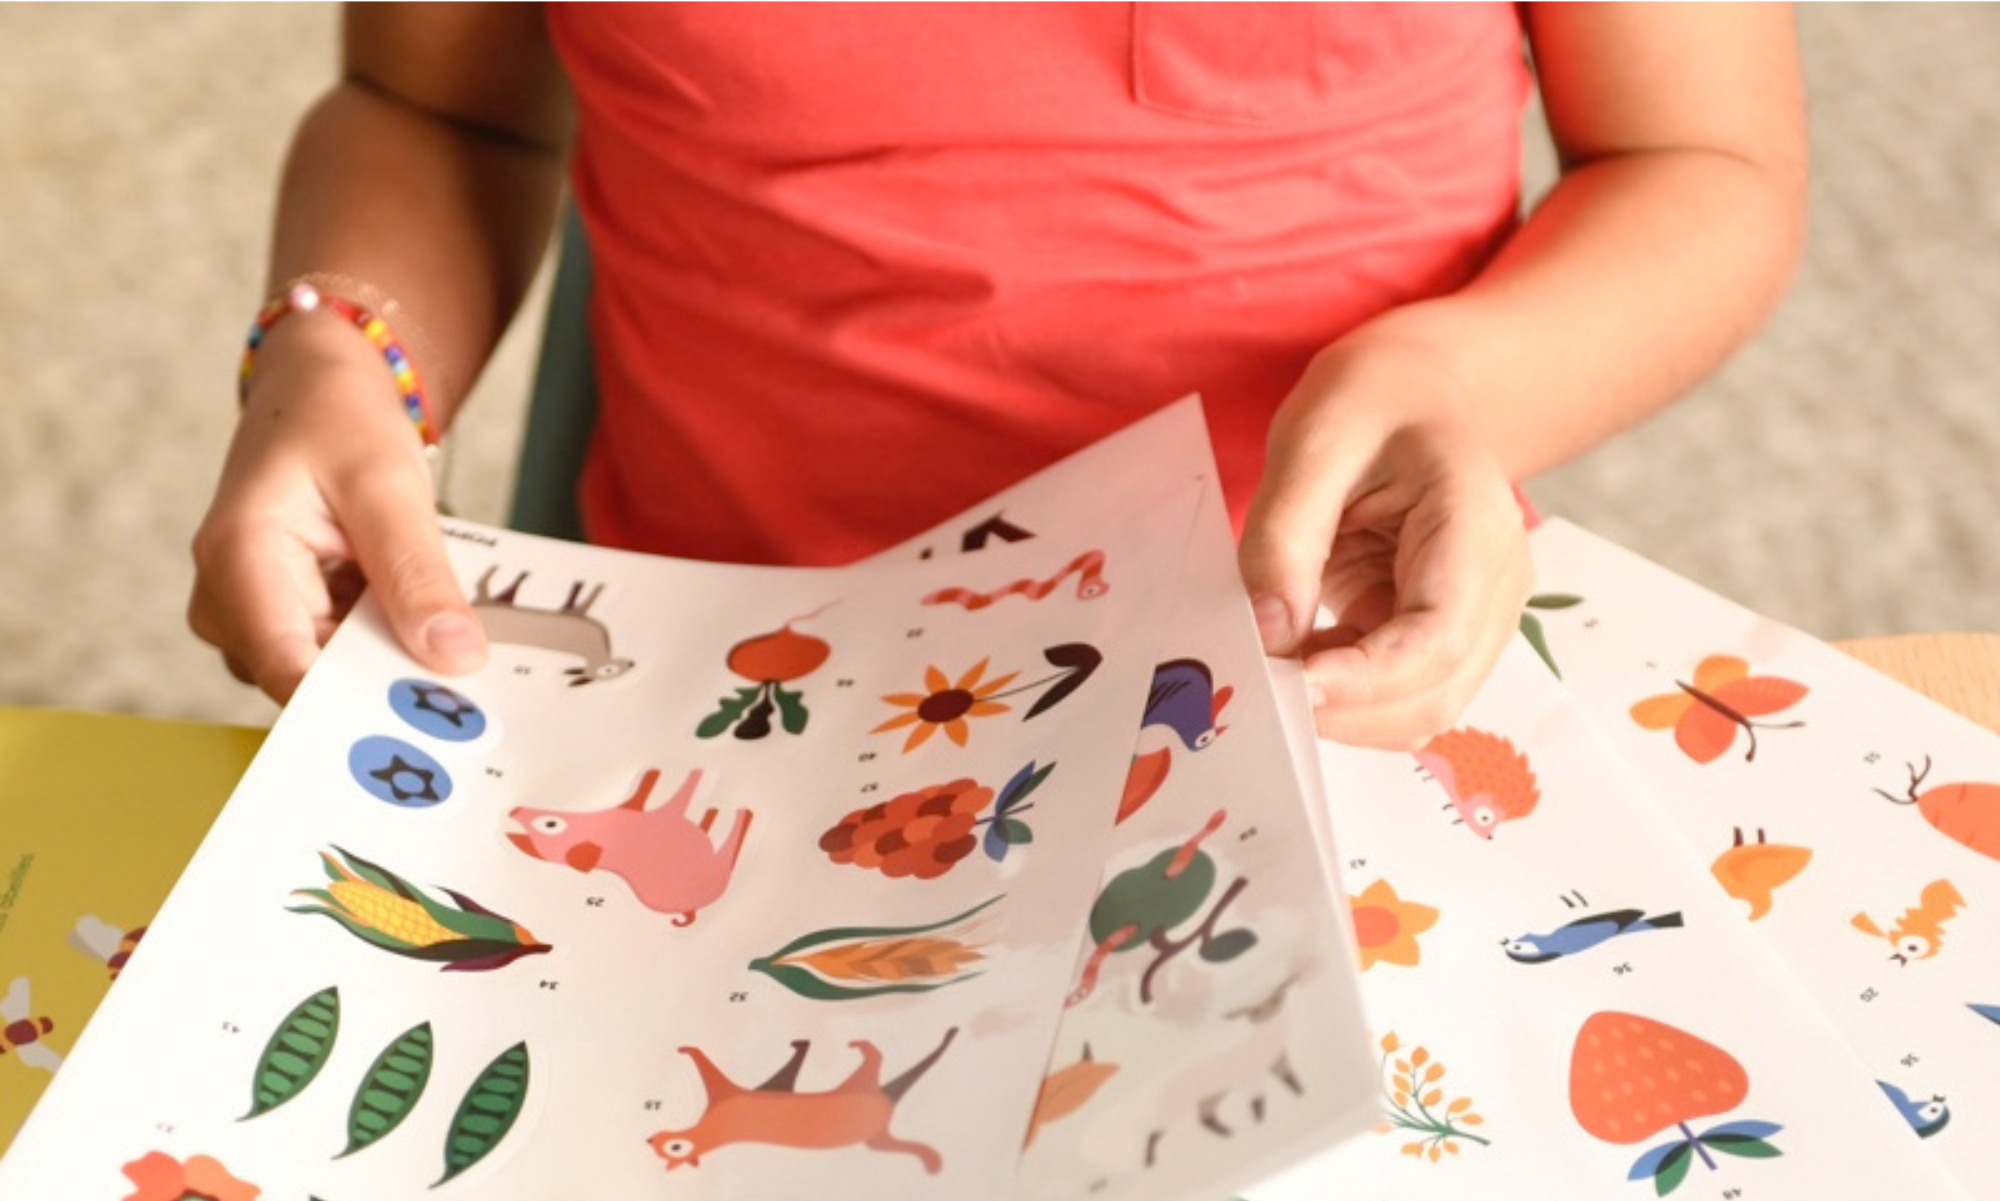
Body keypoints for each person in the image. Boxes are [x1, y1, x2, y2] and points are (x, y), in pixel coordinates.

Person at [189, 3, 1807, 751]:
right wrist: (339, 355)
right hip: (726, 685)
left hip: (1336, 676)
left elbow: (1700, 159)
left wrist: (1463, 374)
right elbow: (437, 107)